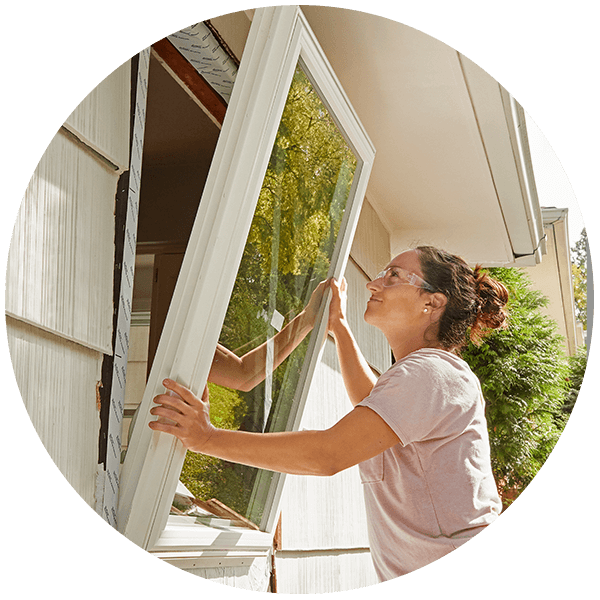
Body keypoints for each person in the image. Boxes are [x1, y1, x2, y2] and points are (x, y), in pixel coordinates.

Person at [149, 246, 509, 581]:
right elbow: (371, 400)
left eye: (394, 275)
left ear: (431, 303)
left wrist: (207, 437)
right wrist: (336, 326)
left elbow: (327, 454)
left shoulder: (429, 373)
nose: (374, 282)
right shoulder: (425, 375)